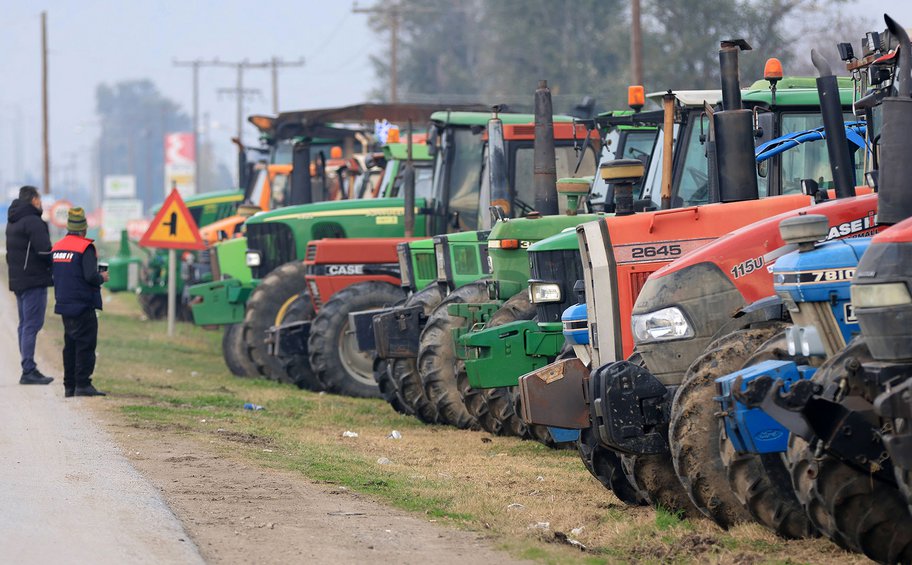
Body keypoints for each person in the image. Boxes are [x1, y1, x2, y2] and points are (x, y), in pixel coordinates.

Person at [51, 207, 108, 397]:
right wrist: (102, 277)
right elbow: (90, 276)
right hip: (83, 304)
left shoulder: (57, 247)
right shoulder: (85, 247)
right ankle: (83, 384)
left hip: (64, 303)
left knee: (70, 345)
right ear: (84, 228)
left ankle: (69, 386)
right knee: (86, 344)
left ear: (68, 227)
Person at [5, 185, 54, 385]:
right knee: (32, 324)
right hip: (34, 280)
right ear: (33, 199)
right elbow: (44, 251)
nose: (41, 202)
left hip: (18, 280)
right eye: (39, 198)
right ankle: (28, 369)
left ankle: (27, 366)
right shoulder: (33, 222)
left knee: (25, 324)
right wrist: (55, 264)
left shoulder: (12, 221)